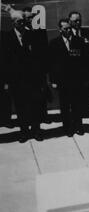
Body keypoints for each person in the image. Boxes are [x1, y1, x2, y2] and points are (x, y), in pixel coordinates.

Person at [3, 10, 45, 142]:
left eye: (22, 21)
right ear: (13, 23)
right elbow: (4, 61)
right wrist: (6, 81)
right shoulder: (7, 37)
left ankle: (36, 130)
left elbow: (38, 58)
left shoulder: (31, 35)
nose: (21, 24)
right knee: (21, 107)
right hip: (17, 80)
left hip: (32, 79)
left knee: (35, 105)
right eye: (18, 22)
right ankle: (24, 132)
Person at [49, 19, 88, 136]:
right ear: (60, 30)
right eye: (65, 29)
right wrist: (53, 80)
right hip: (62, 81)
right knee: (65, 105)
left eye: (69, 28)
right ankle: (67, 127)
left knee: (77, 104)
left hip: (76, 80)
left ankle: (78, 125)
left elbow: (84, 61)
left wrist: (85, 78)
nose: (68, 31)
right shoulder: (54, 43)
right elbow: (52, 65)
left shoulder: (79, 41)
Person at [69, 11, 89, 118]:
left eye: (79, 20)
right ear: (70, 21)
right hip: (73, 68)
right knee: (75, 92)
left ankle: (86, 110)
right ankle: (76, 112)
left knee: (85, 90)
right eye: (75, 21)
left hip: (86, 67)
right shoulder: (68, 33)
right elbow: (69, 51)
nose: (78, 22)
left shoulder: (87, 32)